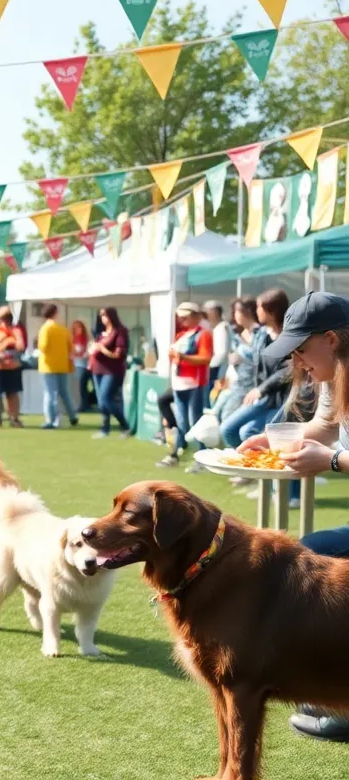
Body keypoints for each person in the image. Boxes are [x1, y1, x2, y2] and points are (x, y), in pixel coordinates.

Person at [228, 293, 349, 742]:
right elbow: (325, 428)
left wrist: (335, 461)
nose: (295, 358)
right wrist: (270, 438)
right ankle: (330, 683)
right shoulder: (333, 376)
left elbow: (333, 446)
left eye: (301, 347)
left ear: (332, 340)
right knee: (311, 554)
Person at [219, 289, 292, 450]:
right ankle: (252, 468)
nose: (256, 310)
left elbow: (289, 369)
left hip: (282, 400)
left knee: (252, 434)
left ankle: (273, 473)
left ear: (271, 311)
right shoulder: (262, 335)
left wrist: (261, 389)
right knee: (228, 430)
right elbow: (255, 362)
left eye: (259, 307)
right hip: (262, 397)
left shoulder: (290, 337)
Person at [157, 303, 214, 468]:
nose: (182, 320)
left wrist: (182, 357)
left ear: (196, 316)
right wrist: (175, 357)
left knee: (196, 421)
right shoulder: (181, 334)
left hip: (195, 383)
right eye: (180, 317)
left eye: (185, 317)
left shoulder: (203, 335)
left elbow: (205, 358)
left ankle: (201, 458)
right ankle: (174, 455)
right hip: (179, 383)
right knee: (182, 421)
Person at [90, 306, 132, 439]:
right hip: (97, 368)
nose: (103, 318)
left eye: (105, 315)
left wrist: (102, 349)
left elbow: (119, 354)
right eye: (101, 315)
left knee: (106, 398)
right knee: (101, 402)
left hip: (112, 370)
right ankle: (105, 428)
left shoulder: (120, 331)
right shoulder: (101, 332)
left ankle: (125, 425)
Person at [37, 304, 78, 429]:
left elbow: (43, 346)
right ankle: (72, 415)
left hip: (48, 365)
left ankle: (52, 419)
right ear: (55, 314)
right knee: (64, 392)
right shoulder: (63, 329)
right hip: (62, 364)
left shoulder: (45, 329)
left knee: (50, 393)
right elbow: (71, 347)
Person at [0, 306, 25, 428]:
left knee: (11, 393)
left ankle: (12, 418)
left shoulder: (15, 330)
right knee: (1, 393)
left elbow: (20, 346)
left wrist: (7, 348)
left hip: (11, 366)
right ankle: (1, 418)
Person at [204, 300, 231, 408]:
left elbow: (222, 352)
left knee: (214, 399)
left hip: (218, 370)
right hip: (217, 368)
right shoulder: (218, 327)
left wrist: (210, 367)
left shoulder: (222, 328)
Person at [71, 320, 94, 412]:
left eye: (79, 327)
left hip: (86, 365)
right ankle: (84, 404)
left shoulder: (87, 339)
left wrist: (82, 355)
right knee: (81, 386)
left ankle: (87, 403)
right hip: (77, 365)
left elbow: (89, 352)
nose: (77, 329)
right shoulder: (72, 339)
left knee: (85, 386)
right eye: (75, 328)